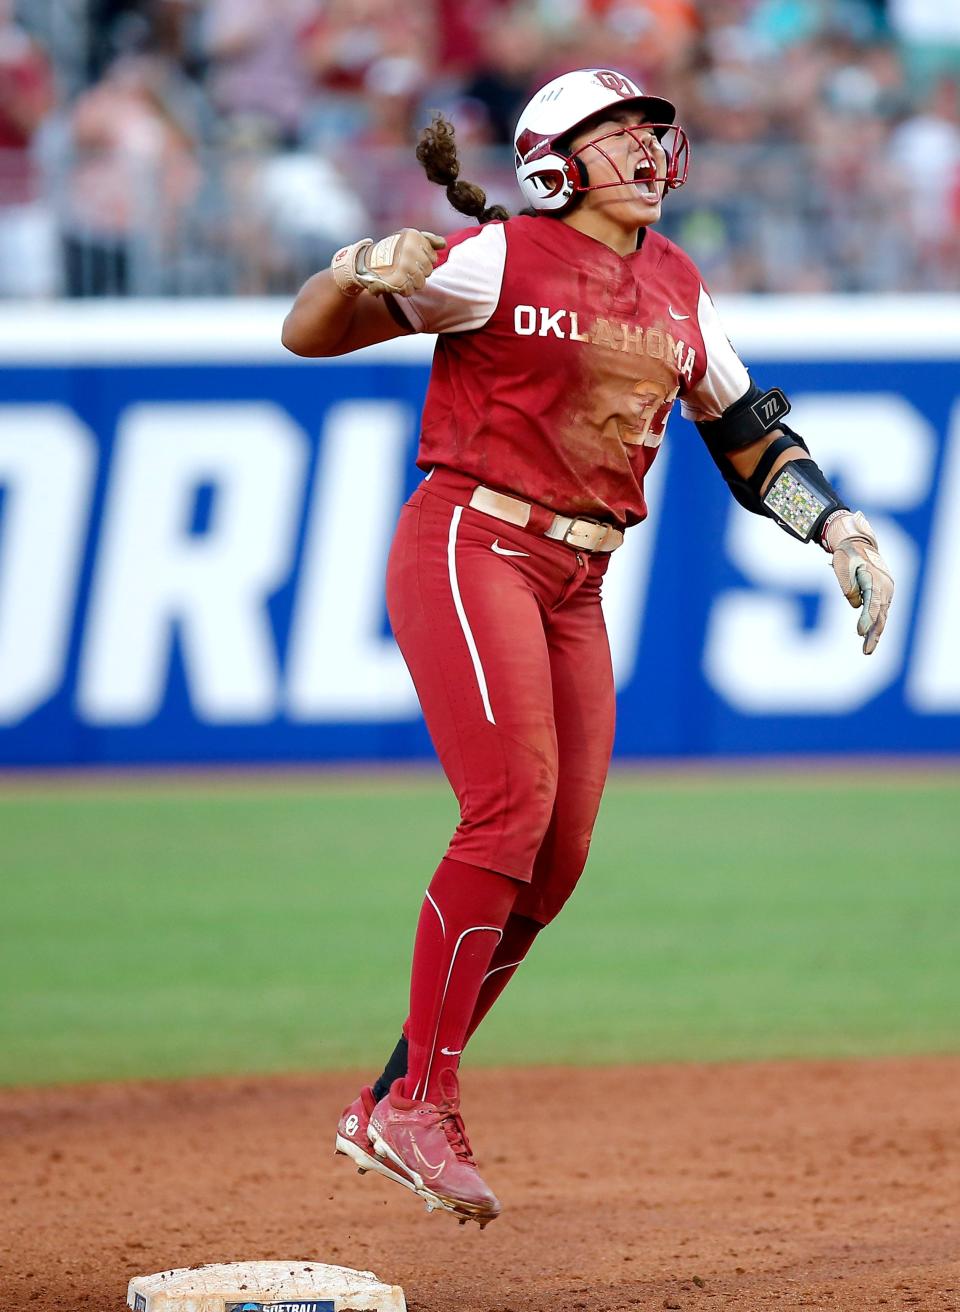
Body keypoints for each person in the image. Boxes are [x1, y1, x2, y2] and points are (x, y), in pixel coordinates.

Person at [281, 66, 894, 1228]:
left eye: (655, 133)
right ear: (555, 160)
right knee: (507, 810)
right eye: (620, 135)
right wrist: (357, 268)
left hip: (578, 578)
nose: (650, 153)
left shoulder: (677, 285)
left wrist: (838, 525)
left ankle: (393, 1095)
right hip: (474, 540)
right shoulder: (499, 258)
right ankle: (421, 1097)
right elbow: (307, 336)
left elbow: (752, 434)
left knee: (554, 862)